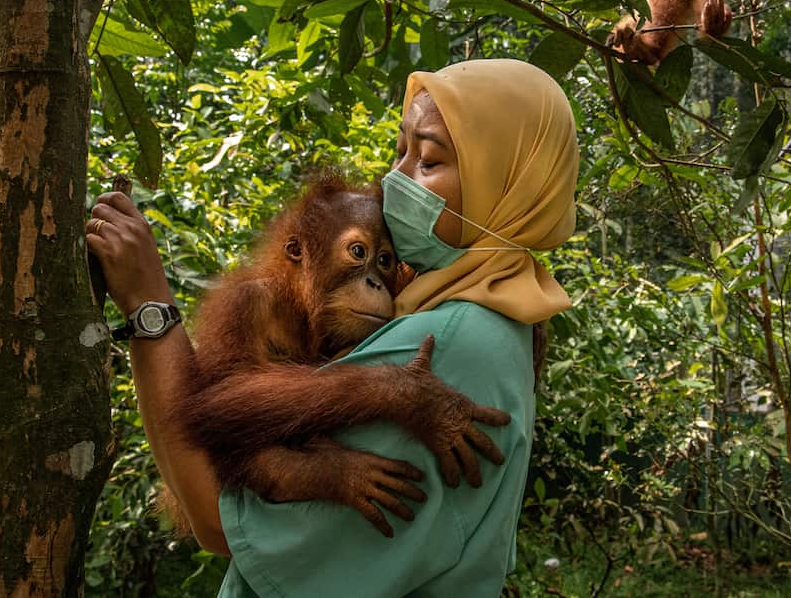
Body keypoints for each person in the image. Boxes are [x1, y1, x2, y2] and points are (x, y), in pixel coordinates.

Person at [87, 58, 579, 597]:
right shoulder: (491, 309)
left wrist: (147, 308)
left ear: (506, 183)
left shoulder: (450, 341)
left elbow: (215, 516)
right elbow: (229, 413)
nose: (397, 180)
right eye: (400, 151)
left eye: (430, 159)